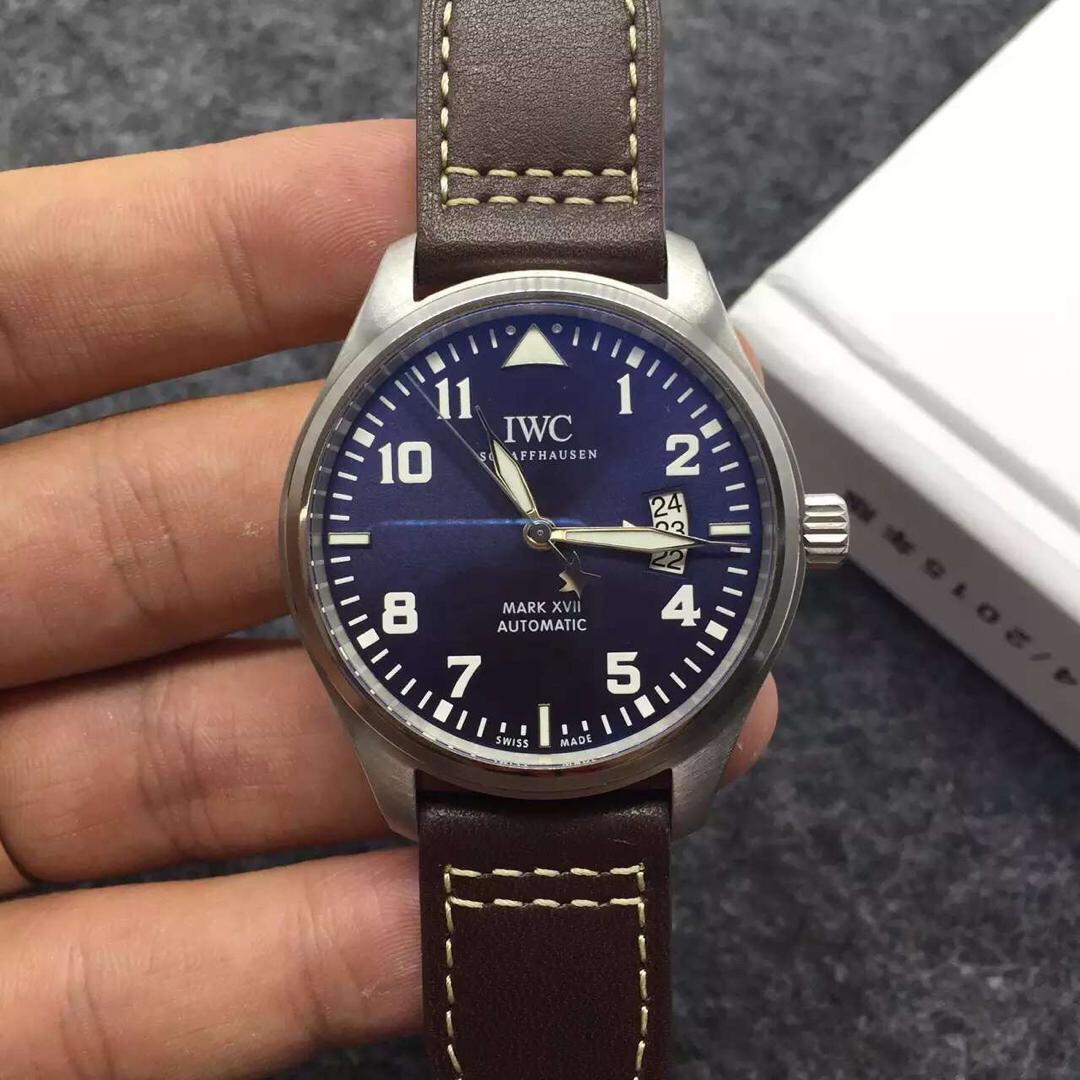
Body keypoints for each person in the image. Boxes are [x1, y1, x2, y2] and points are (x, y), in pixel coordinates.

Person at [0, 120, 778, 1076]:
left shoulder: (661, 302)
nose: (540, 537)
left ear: (797, 531)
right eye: (535, 531)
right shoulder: (583, 319)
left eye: (545, 533)